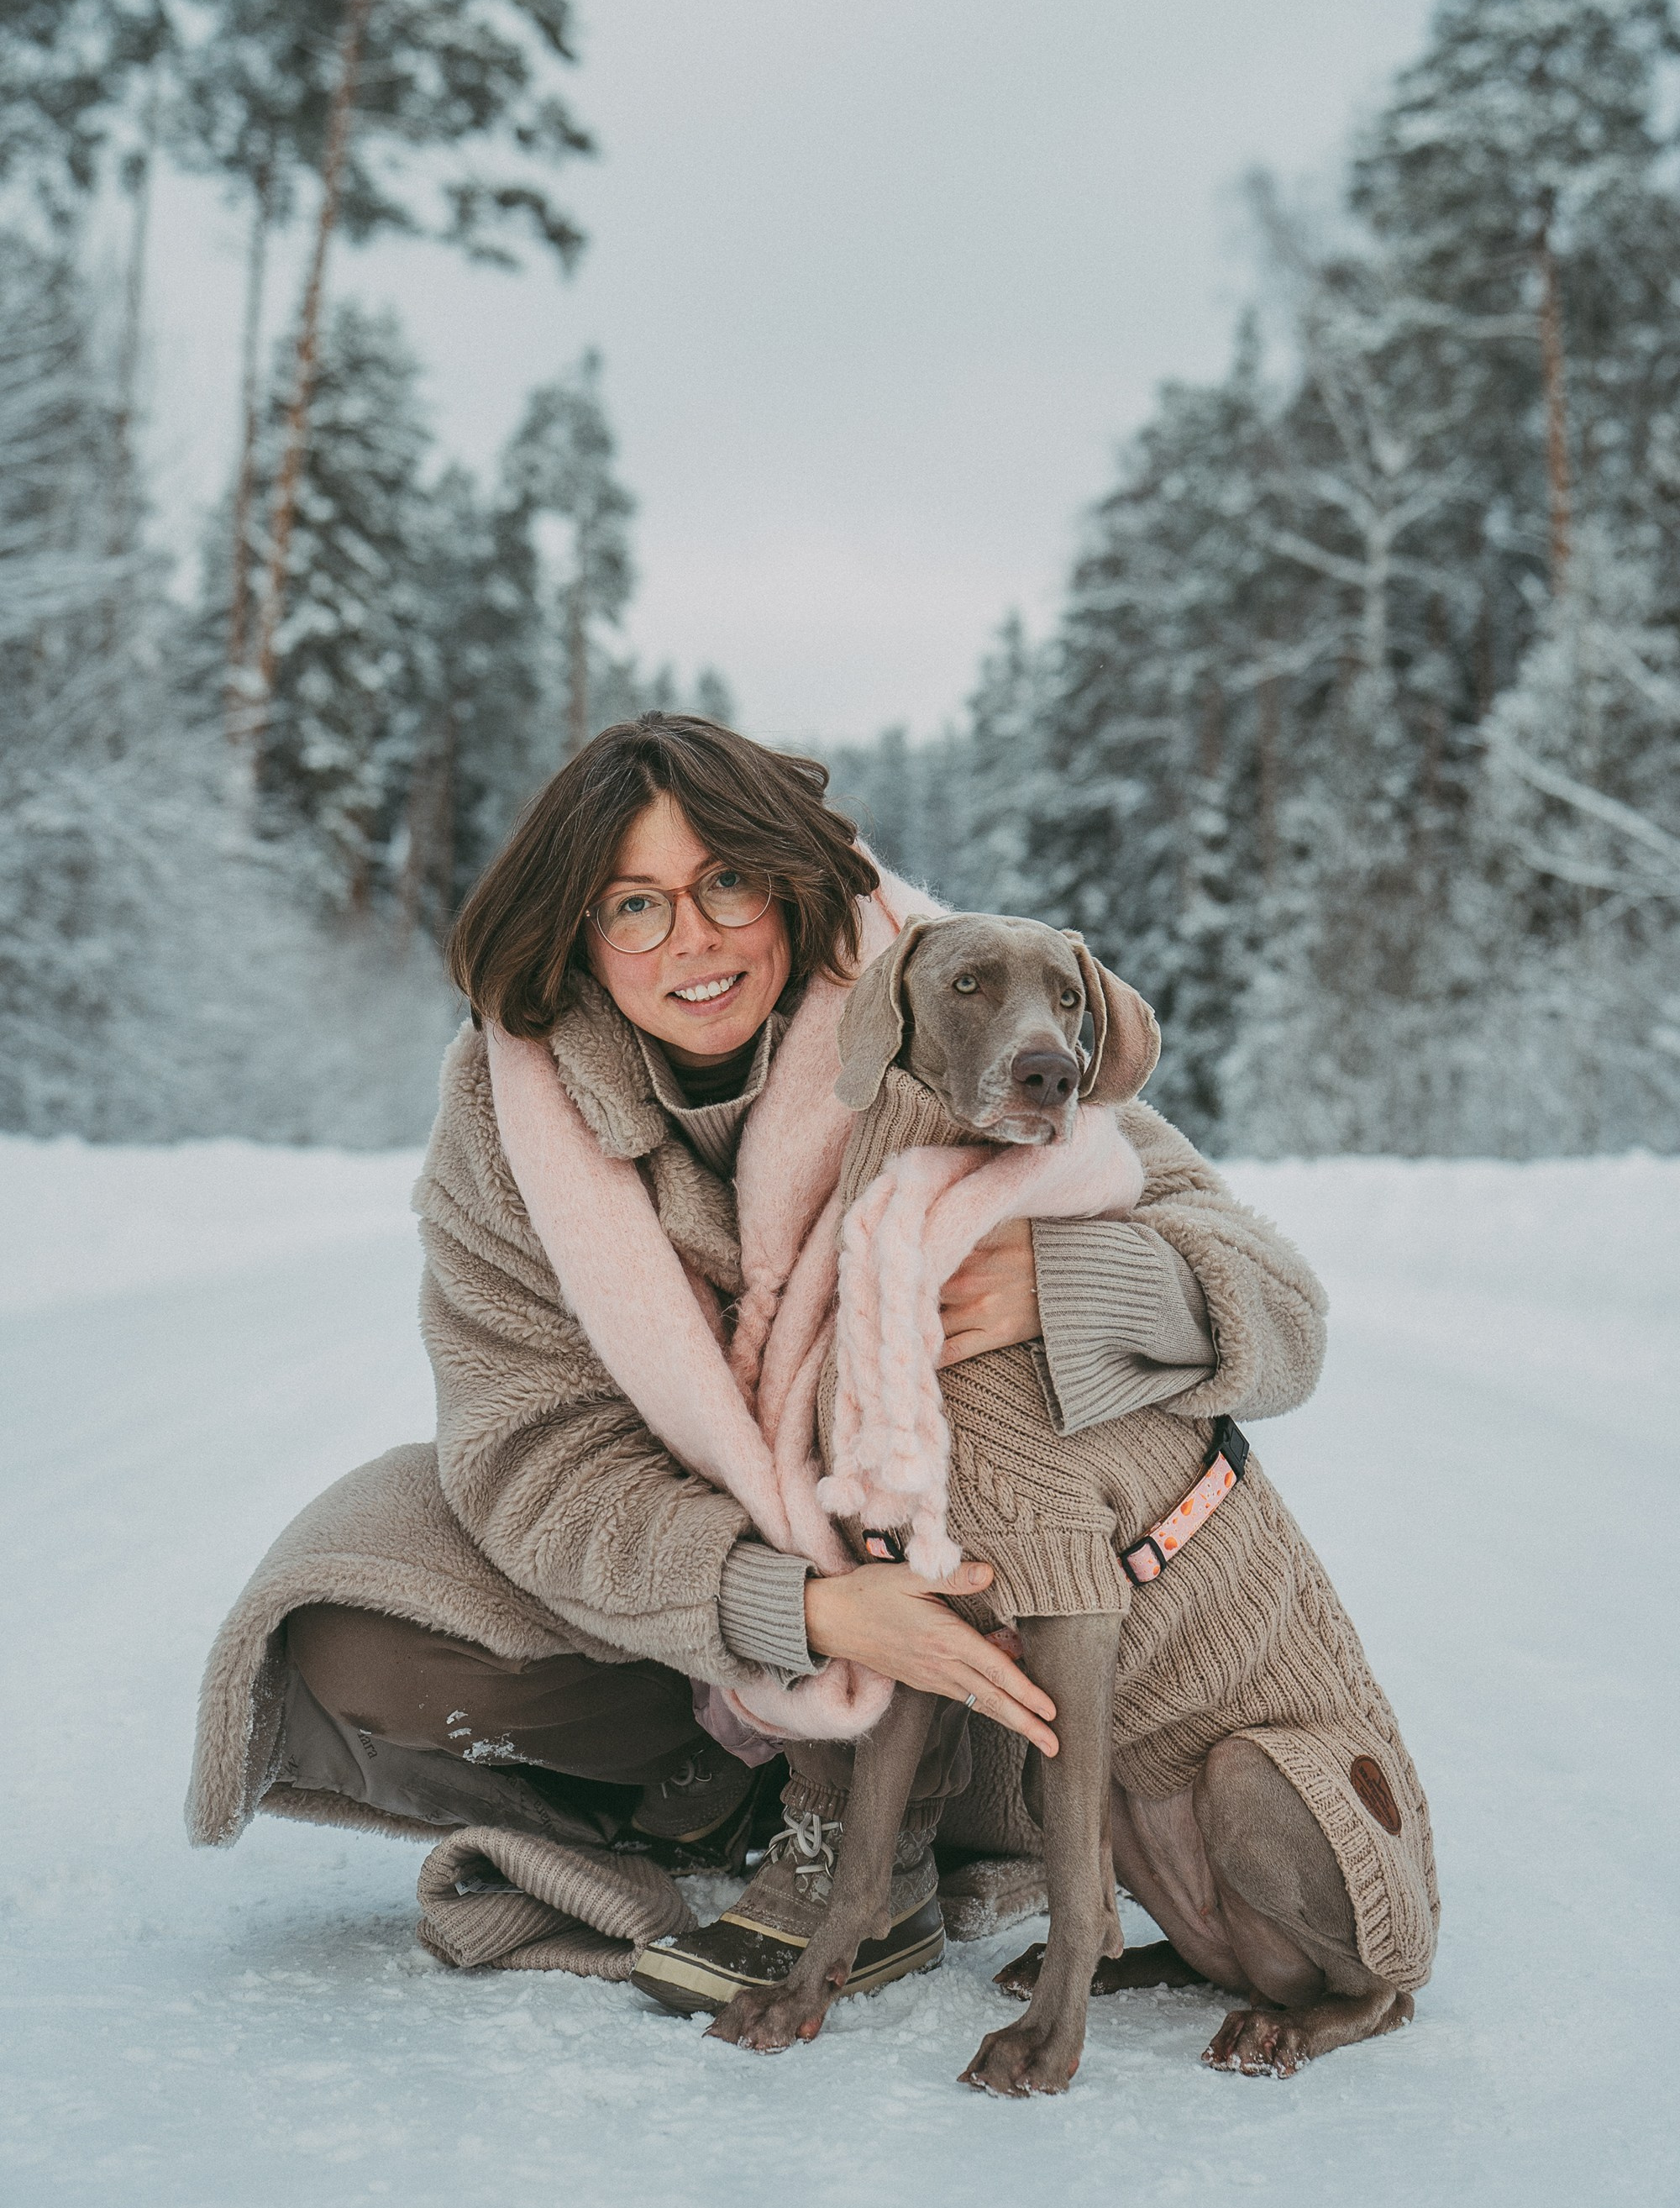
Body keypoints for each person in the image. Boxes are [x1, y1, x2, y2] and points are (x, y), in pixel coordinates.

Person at [190, 714, 1324, 2012]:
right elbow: (533, 1457)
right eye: (635, 904)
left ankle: (896, 1835)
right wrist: (801, 1610)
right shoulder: (511, 1122)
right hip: (716, 1609)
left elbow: (1285, 1319)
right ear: (577, 930)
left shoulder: (949, 1005)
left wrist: (1073, 1281)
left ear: (788, 885)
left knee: (994, 1497)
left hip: (975, 1642)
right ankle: (712, 1793)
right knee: (350, 1628)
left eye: (726, 881)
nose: (694, 939)